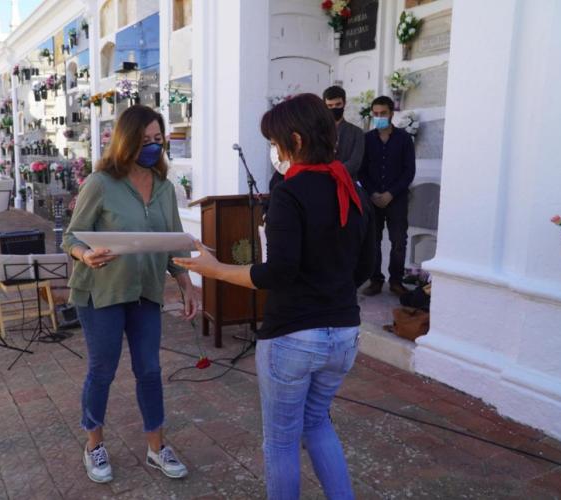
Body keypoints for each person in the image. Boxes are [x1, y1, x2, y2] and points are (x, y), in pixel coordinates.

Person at [174, 94, 375, 499]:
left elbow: (277, 273)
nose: (274, 152)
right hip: (343, 334)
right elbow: (365, 269)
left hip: (293, 337)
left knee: (282, 440)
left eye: (274, 142)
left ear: (295, 140)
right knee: (317, 424)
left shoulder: (289, 192)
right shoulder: (353, 189)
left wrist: (215, 270)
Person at [62, 105, 200, 484]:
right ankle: (94, 444)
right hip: (102, 292)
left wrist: (186, 284)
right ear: (127, 142)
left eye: (158, 139)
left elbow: (174, 242)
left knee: (150, 370)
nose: (153, 146)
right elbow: (71, 236)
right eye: (144, 140)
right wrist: (84, 254)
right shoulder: (101, 183)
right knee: (102, 370)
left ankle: (157, 447)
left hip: (145, 292)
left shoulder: (165, 188)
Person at [358, 95, 416, 297]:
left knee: (399, 241)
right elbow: (361, 171)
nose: (379, 117)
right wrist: (373, 193)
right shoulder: (366, 139)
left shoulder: (404, 139)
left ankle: (396, 281)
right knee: (373, 241)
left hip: (396, 198)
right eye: (376, 113)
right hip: (372, 199)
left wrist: (391, 193)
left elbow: (409, 171)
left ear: (391, 114)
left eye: (383, 113)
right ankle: (375, 280)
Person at [323, 85, 365, 181]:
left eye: (338, 104)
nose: (334, 108)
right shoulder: (318, 132)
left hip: (347, 182)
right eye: (330, 106)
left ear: (344, 103)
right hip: (323, 182)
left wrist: (333, 173)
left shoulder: (357, 132)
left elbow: (355, 162)